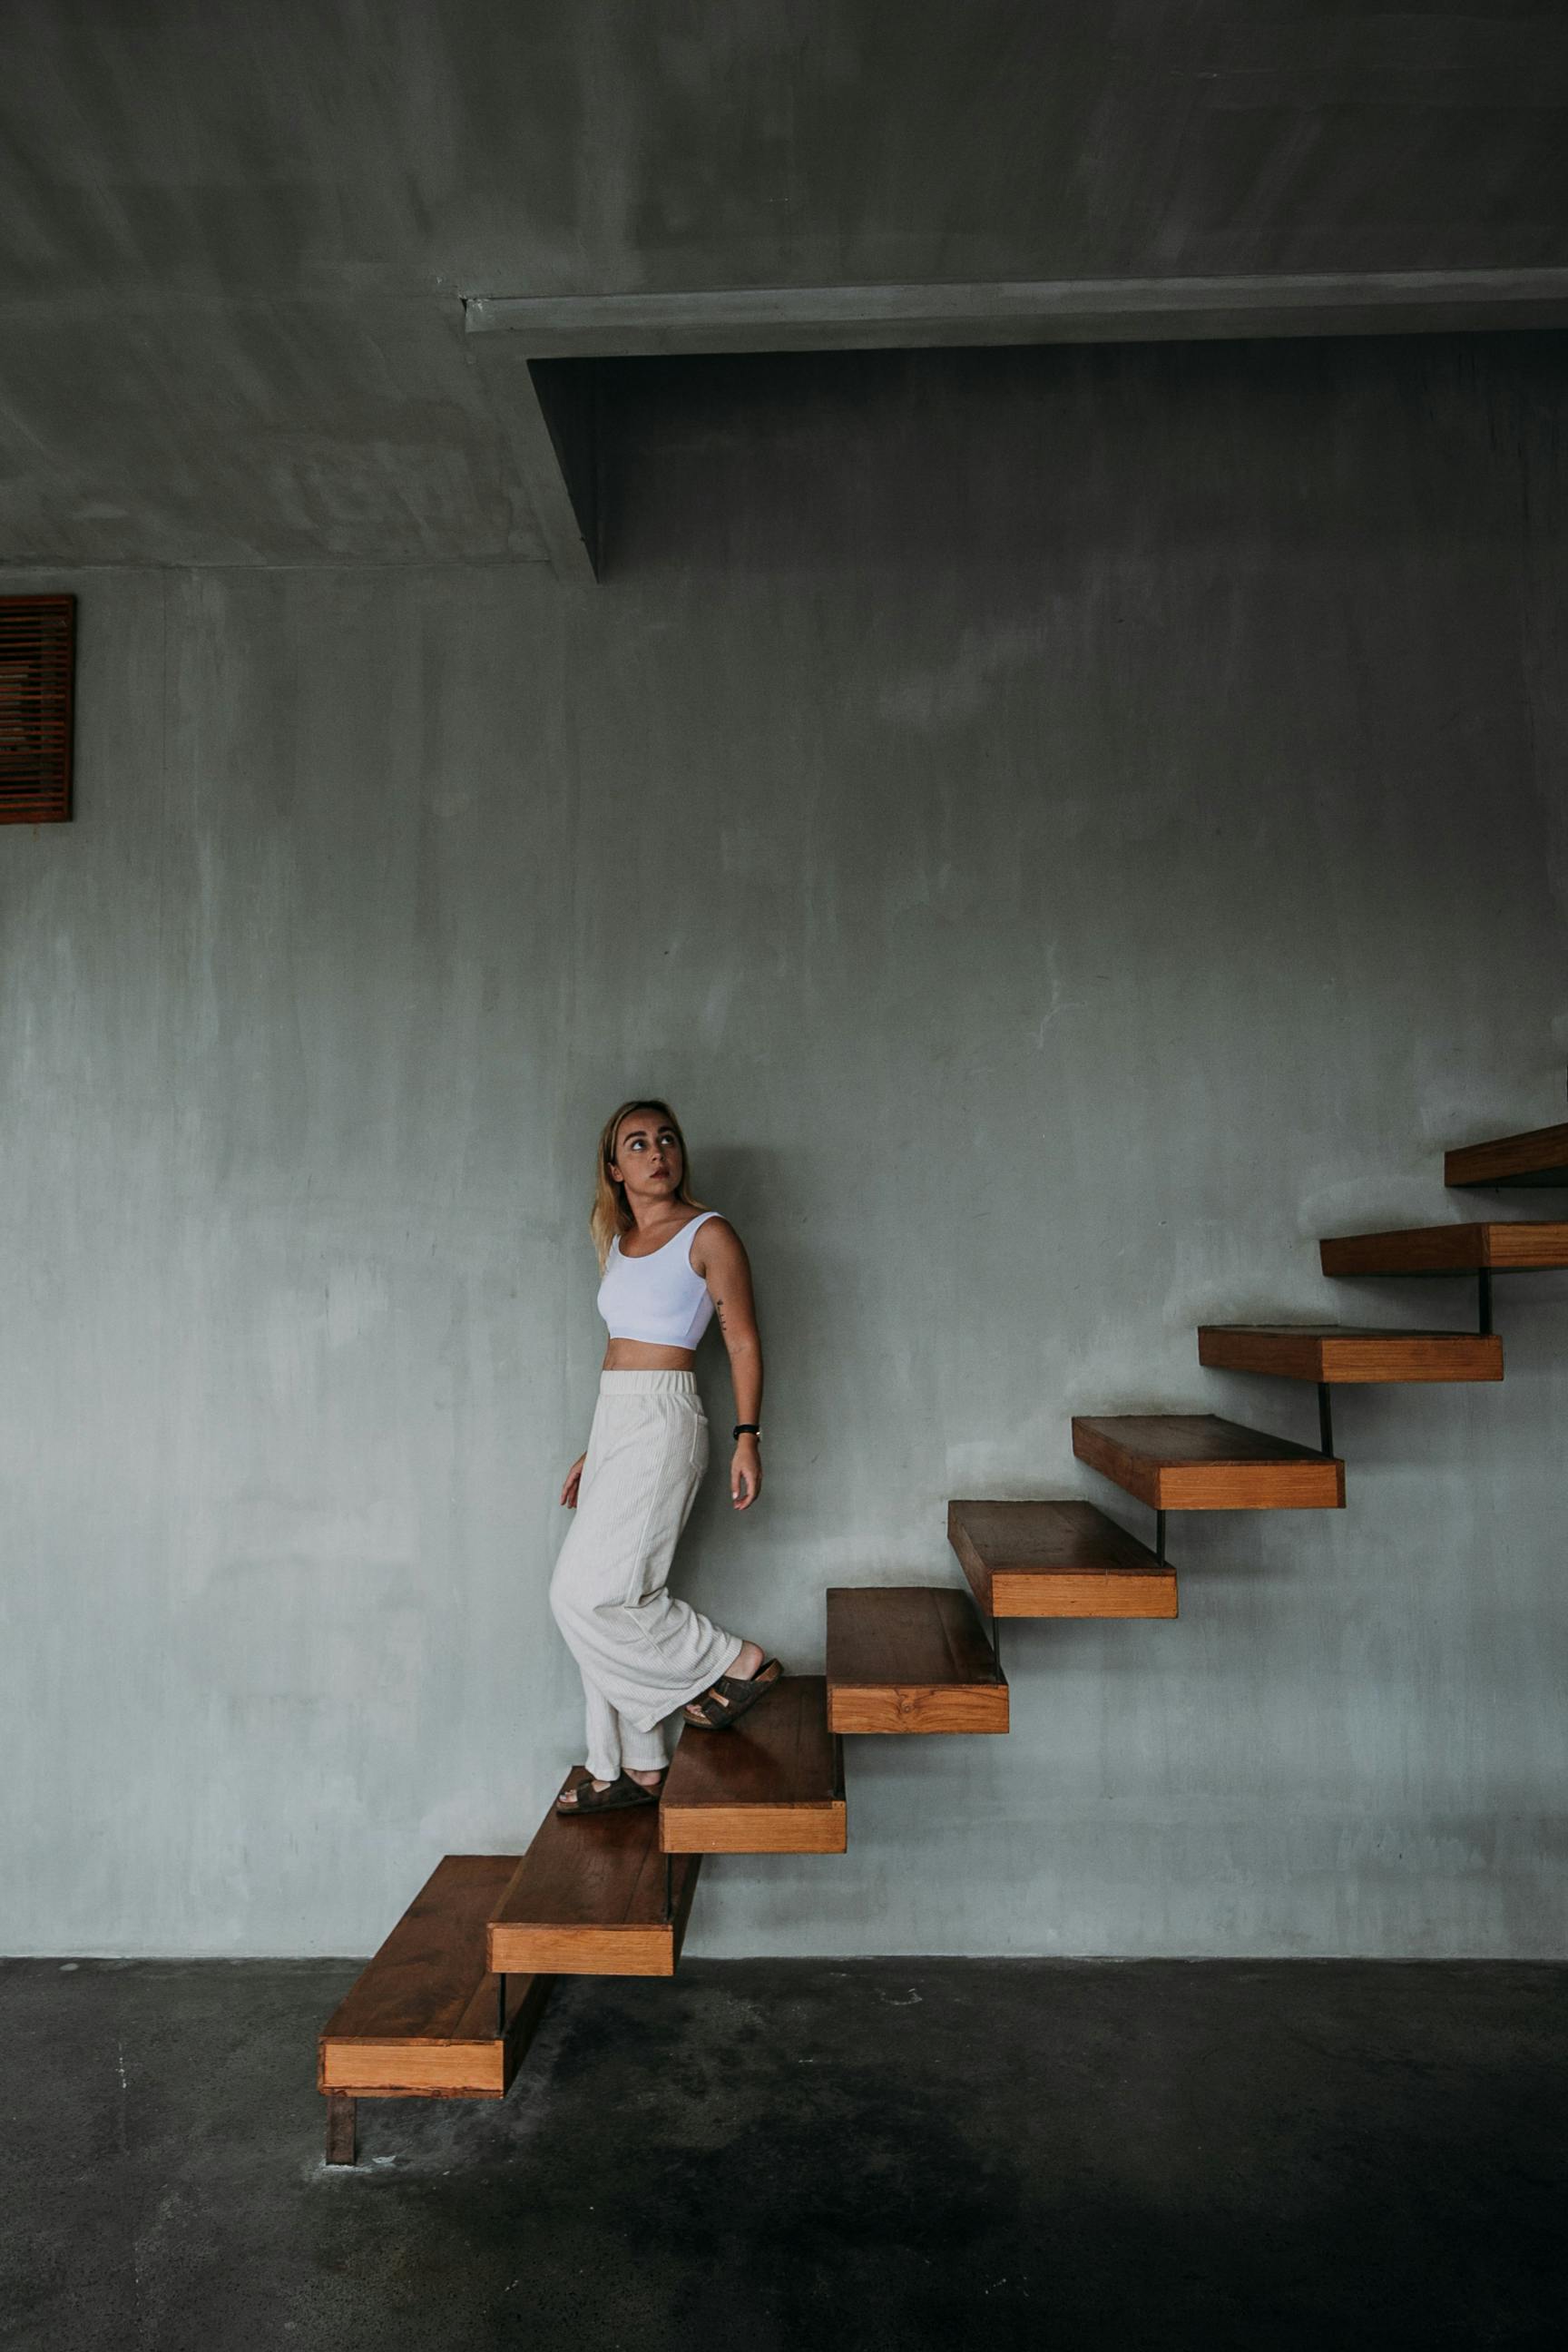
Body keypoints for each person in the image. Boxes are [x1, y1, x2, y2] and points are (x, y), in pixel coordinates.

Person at [548, 1098, 782, 1815]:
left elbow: (741, 1340)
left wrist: (749, 1436)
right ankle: (639, 1767)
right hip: (619, 1421)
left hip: (665, 1419)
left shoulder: (708, 1235)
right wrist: (598, 1446)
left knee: (586, 1597)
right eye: (639, 1143)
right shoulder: (619, 1245)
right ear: (615, 1170)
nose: (657, 1152)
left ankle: (735, 1662)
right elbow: (617, 1352)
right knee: (598, 1598)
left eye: (667, 1140)